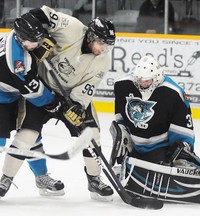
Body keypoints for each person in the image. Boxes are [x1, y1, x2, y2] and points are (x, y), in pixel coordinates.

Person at [0, 5, 116, 201]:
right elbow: (44, 13)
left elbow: (88, 87)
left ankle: (94, 178)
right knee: (27, 135)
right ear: (90, 36)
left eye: (108, 45)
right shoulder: (71, 27)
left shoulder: (102, 61)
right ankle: (6, 178)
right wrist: (34, 23)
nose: (104, 49)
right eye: (101, 43)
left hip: (70, 98)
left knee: (92, 134)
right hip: (44, 89)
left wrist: (77, 106)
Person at [109, 55, 200, 205]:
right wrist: (122, 141)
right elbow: (120, 118)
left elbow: (183, 129)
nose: (142, 84)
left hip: (160, 149)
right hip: (135, 146)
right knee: (126, 171)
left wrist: (180, 153)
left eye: (147, 81)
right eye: (140, 80)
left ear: (157, 77)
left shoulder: (173, 93)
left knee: (155, 171)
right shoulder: (123, 86)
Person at [0, 13, 64, 198]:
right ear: (21, 38)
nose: (37, 44)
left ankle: (41, 176)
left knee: (30, 135)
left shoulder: (20, 35)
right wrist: (53, 102)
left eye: (38, 39)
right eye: (33, 41)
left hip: (14, 92)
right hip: (2, 96)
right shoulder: (18, 61)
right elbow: (33, 91)